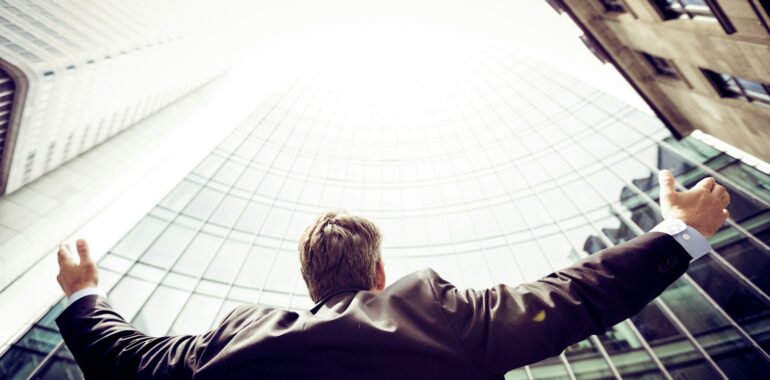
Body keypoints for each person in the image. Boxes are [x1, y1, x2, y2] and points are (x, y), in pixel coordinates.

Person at [55, 170, 730, 379]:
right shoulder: (433, 312)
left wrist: (85, 293)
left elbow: (126, 363)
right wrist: (678, 233)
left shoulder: (230, 343)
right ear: (380, 272)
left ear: (311, 283)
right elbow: (572, 296)